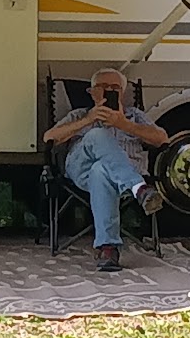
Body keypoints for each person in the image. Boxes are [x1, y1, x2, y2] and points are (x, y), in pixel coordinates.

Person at [42, 67, 168, 271]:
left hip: (108, 175)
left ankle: (108, 248)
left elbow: (162, 139)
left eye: (114, 87)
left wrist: (125, 125)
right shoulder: (80, 114)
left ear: (122, 92)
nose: (109, 90)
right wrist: (89, 120)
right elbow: (49, 138)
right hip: (80, 171)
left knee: (100, 171)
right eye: (103, 87)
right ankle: (140, 189)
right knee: (96, 135)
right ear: (92, 92)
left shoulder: (134, 116)